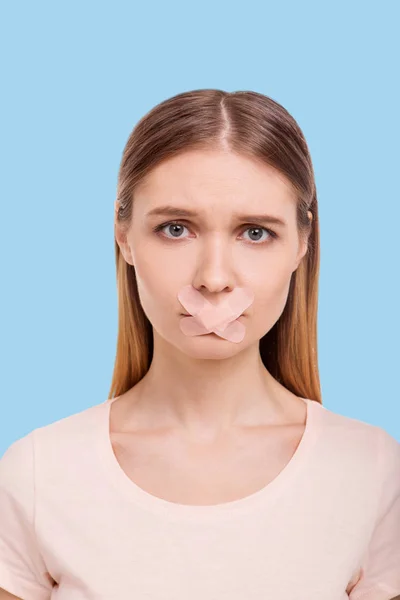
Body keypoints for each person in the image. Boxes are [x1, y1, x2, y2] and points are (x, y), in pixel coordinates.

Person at [1, 89, 399, 600]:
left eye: (254, 233)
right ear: (124, 236)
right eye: (175, 228)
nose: (213, 279)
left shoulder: (372, 472)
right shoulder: (39, 474)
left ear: (302, 243)